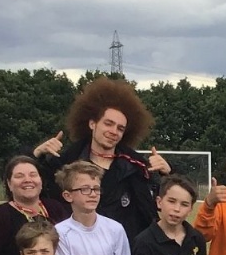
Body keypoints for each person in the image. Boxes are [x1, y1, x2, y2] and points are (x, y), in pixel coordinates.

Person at [32, 76, 167, 246]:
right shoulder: (65, 164)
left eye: (120, 128)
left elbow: (167, 204)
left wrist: (167, 174)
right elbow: (29, 191)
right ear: (92, 124)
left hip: (124, 253)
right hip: (75, 250)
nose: (114, 131)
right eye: (108, 124)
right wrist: (36, 155)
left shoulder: (137, 168)